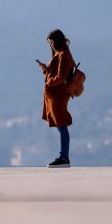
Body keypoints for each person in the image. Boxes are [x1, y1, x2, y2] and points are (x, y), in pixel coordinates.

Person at [37, 29, 75, 168]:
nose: (50, 45)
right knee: (60, 125)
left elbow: (61, 76)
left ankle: (63, 157)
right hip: (54, 95)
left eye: (51, 42)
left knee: (62, 125)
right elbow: (55, 74)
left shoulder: (64, 55)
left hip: (58, 95)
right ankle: (64, 157)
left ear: (57, 41)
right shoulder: (59, 53)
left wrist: (49, 82)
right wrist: (45, 69)